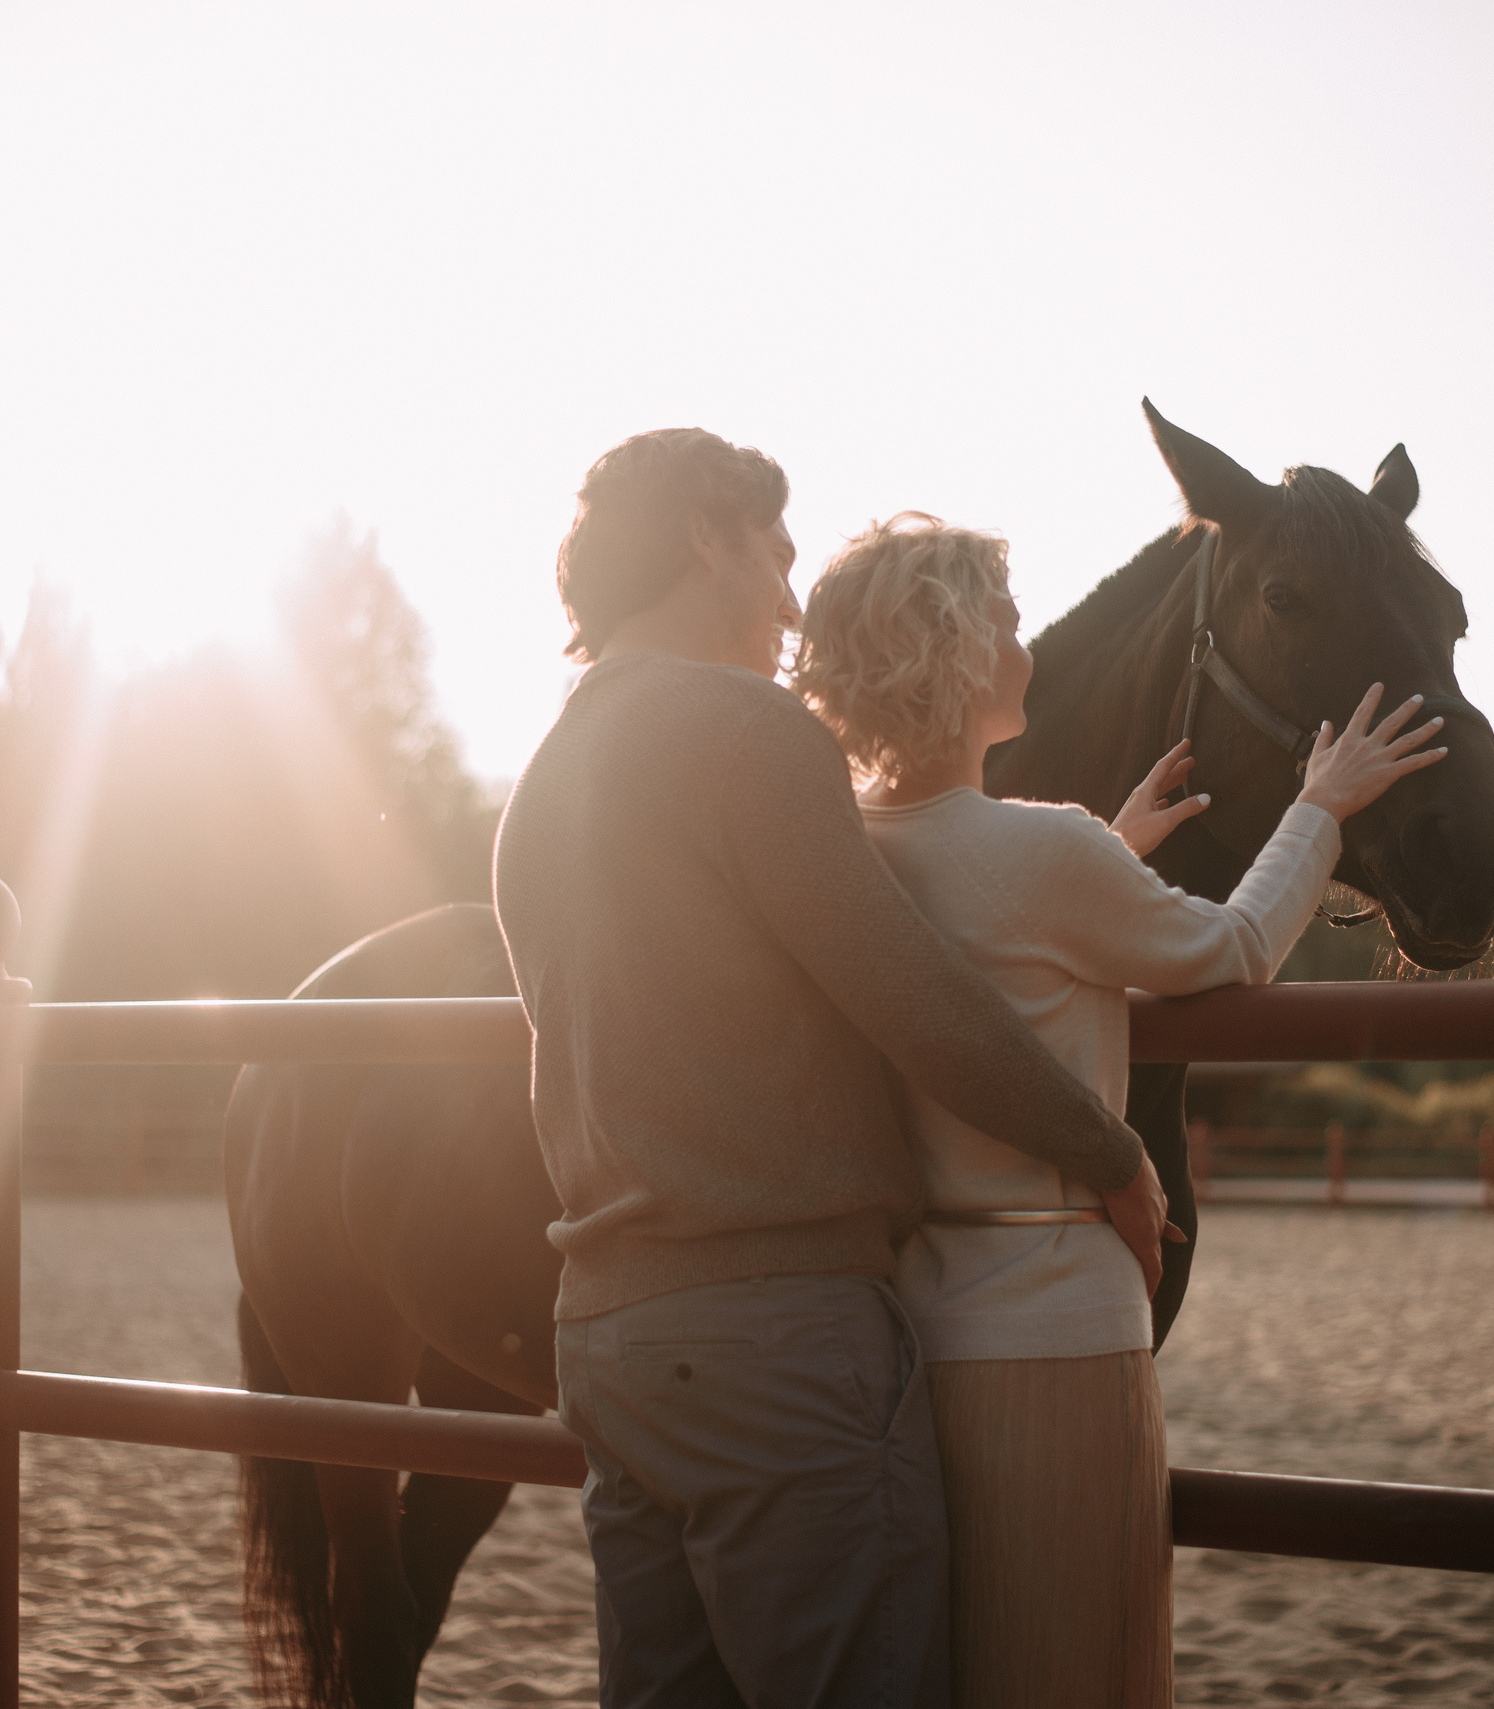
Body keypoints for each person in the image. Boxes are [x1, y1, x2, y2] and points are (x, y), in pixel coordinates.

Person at [492, 433, 1177, 1709]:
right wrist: (1109, 1148)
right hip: (777, 1342)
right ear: (706, 535)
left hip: (610, 1333)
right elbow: (910, 991)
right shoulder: (744, 727)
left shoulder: (548, 772)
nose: (794, 604)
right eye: (777, 554)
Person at [791, 512, 1446, 1709]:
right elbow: (1233, 944)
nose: (1023, 639)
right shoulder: (1043, 852)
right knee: (1076, 1661)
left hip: (902, 1331)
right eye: (1000, 617)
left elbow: (991, 942)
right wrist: (1322, 806)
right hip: (1053, 1331)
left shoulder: (847, 851)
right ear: (957, 655)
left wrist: (1110, 851)